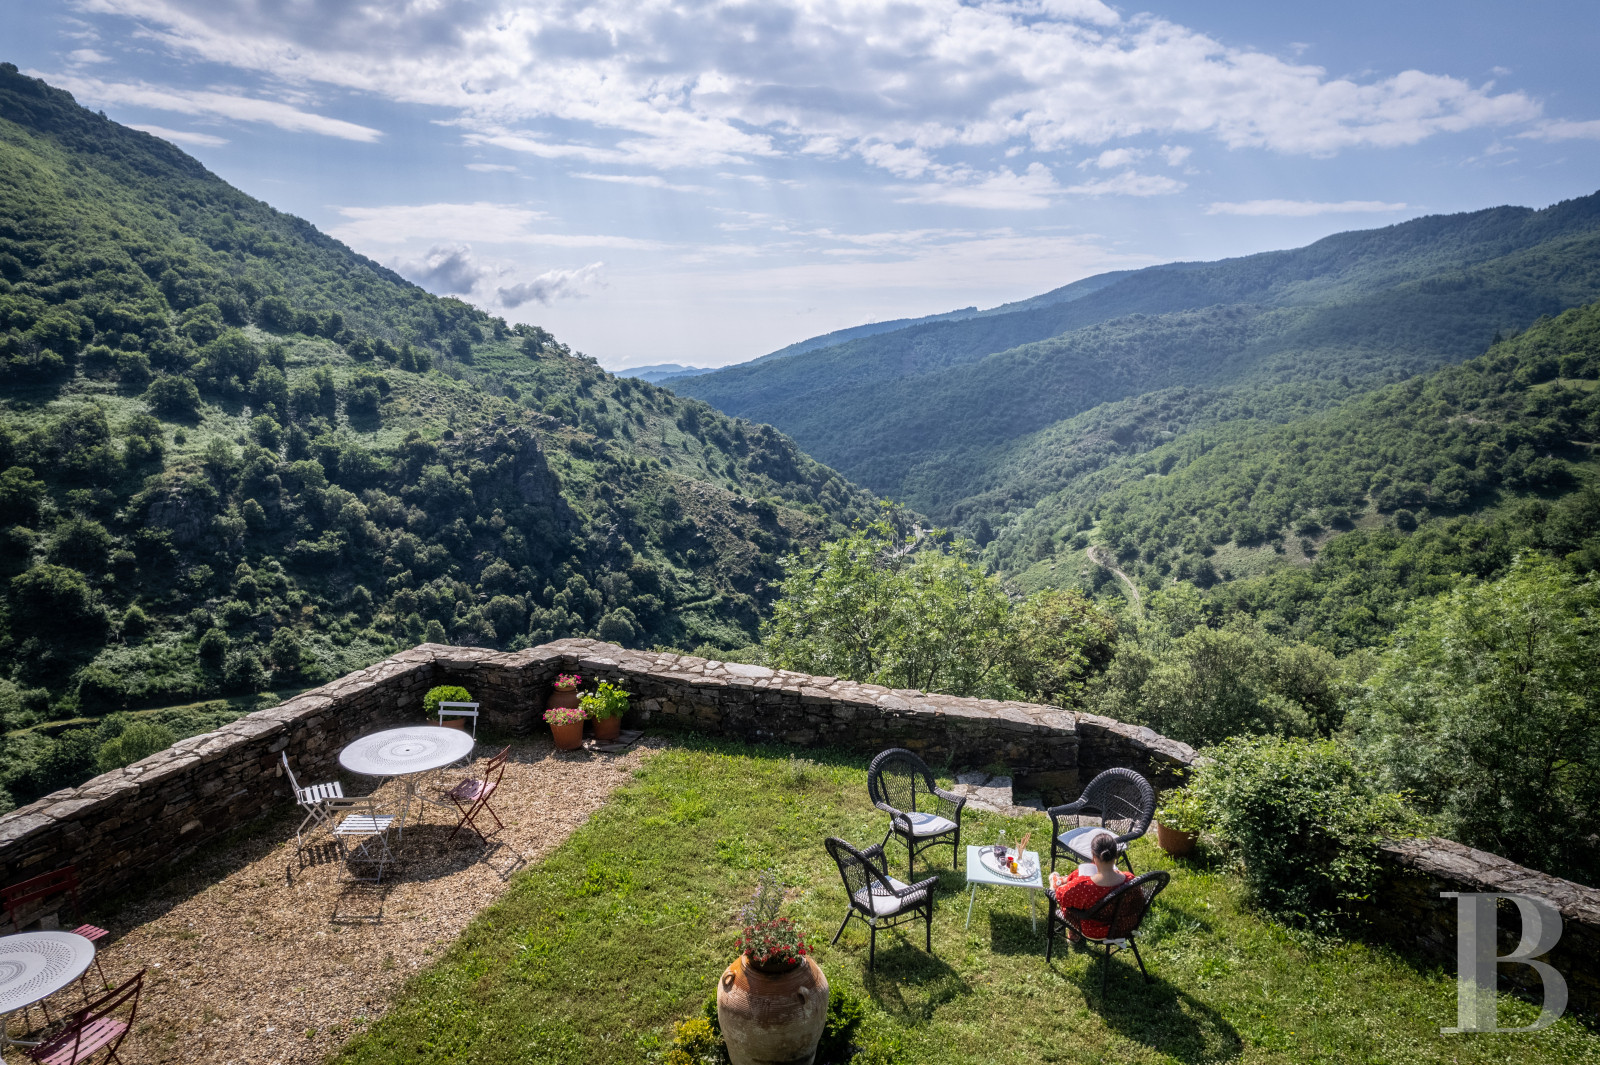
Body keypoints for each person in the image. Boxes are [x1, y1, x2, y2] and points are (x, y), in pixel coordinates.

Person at [1048, 831, 1133, 944]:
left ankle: (1058, 881)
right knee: (1079, 884)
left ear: (1093, 857)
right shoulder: (1130, 879)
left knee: (1071, 902)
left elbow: (1060, 896)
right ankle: (1064, 880)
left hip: (1094, 930)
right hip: (1123, 926)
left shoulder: (1084, 886)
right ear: (1116, 855)